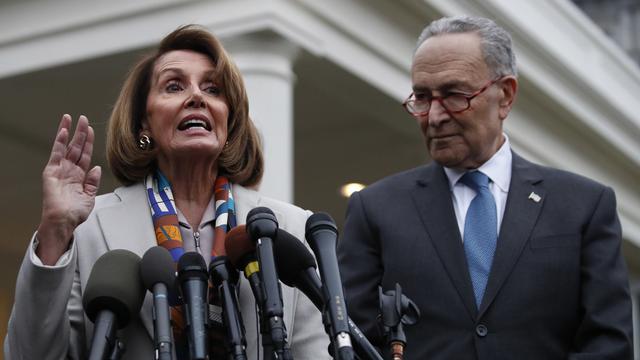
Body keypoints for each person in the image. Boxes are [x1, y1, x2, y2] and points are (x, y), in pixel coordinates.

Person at [4, 25, 328, 359]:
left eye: (213, 89)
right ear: (143, 123)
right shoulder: (88, 230)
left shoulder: (288, 228)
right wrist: (55, 230)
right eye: (174, 85)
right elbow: (30, 354)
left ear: (228, 122)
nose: (196, 97)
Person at [337, 15, 633, 359]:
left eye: (454, 95)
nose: (434, 116)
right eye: (422, 97)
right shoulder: (375, 209)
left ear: (505, 95)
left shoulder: (585, 206)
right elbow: (352, 342)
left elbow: (609, 344)